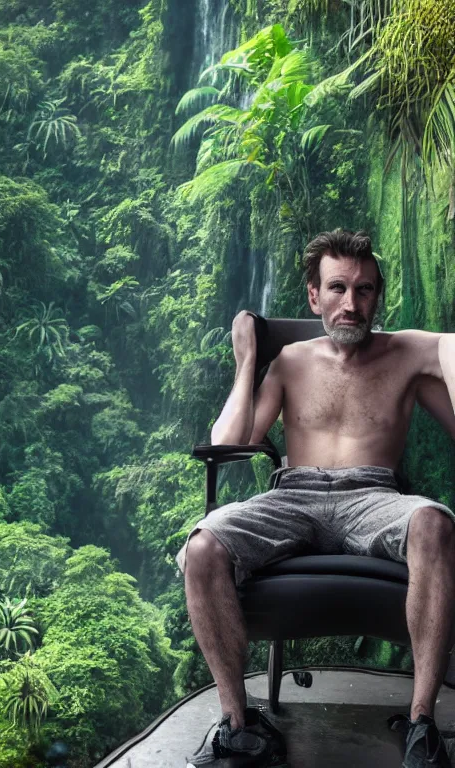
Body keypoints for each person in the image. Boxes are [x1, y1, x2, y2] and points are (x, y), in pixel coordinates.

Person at [176, 229, 455, 768]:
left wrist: (445, 345)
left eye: (365, 290)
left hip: (373, 495)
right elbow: (231, 444)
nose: (351, 304)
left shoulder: (406, 354)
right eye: (338, 288)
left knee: (434, 524)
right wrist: (247, 358)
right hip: (294, 494)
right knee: (204, 545)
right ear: (314, 295)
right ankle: (239, 726)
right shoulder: (291, 362)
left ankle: (422, 726)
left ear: (377, 296)